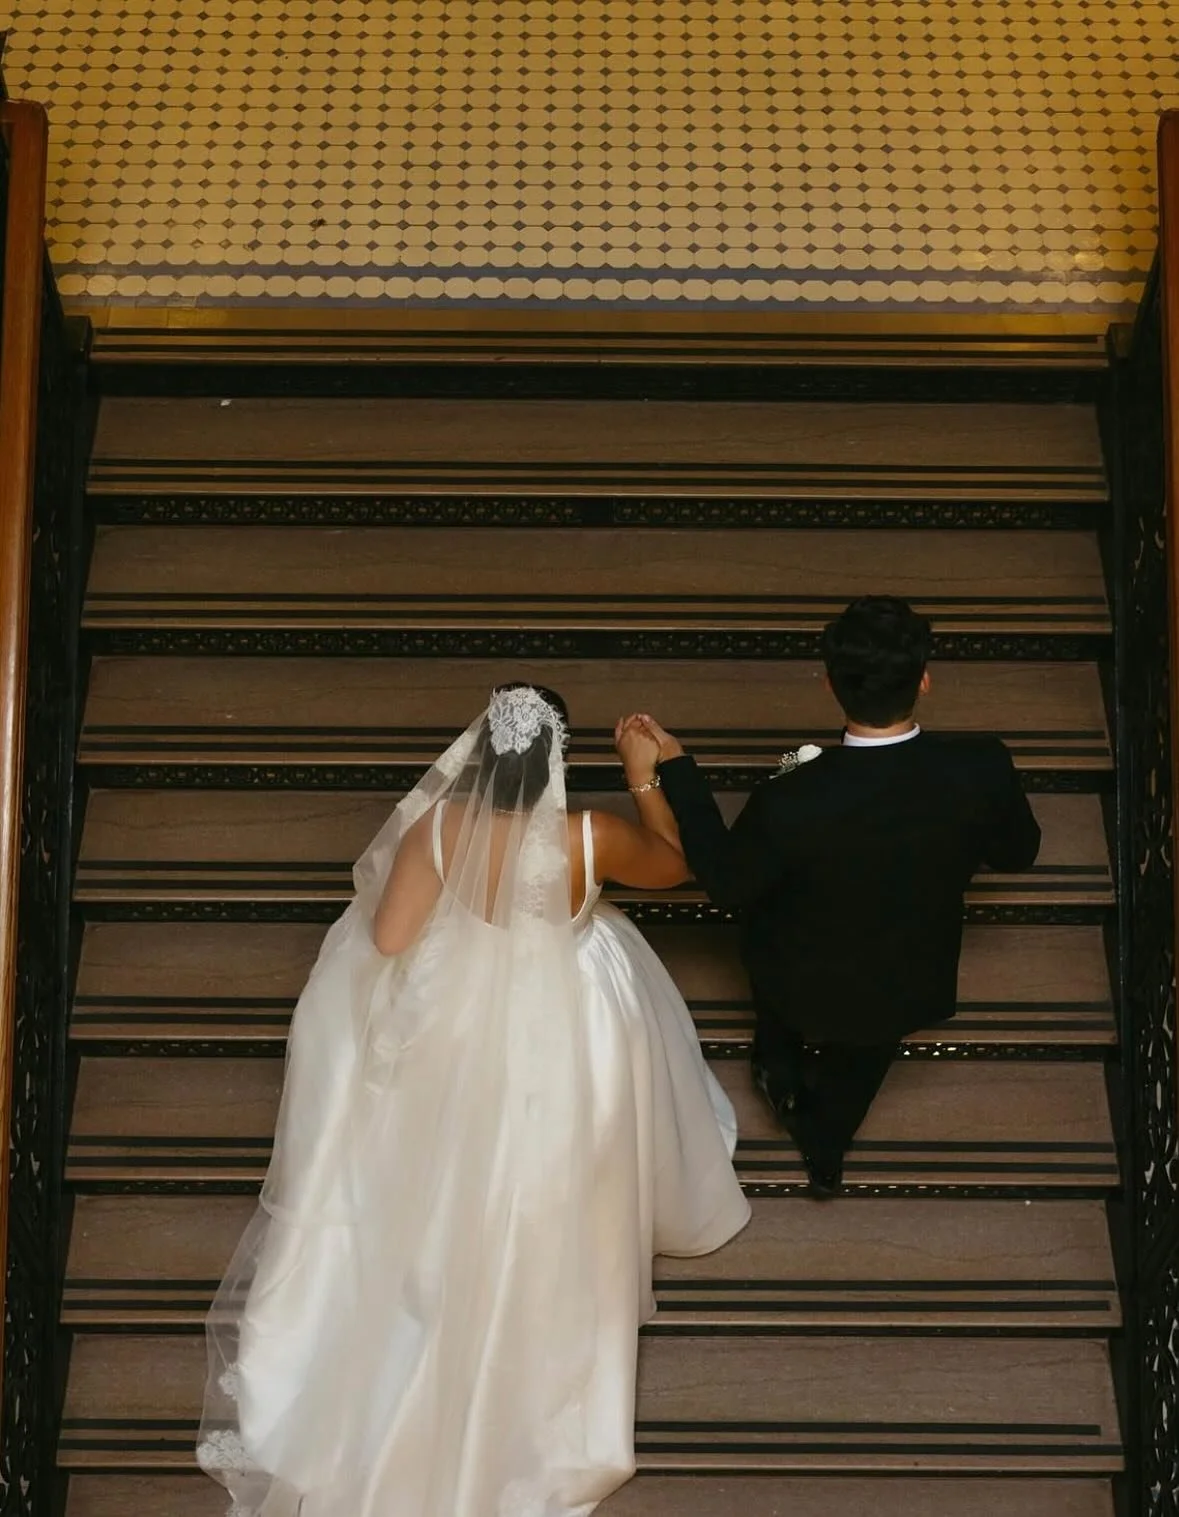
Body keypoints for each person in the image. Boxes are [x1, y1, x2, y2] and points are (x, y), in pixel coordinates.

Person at [197, 682, 749, 1517]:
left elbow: (387, 938)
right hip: (564, 1026)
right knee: (580, 1109)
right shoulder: (589, 836)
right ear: (559, 762)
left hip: (454, 1034)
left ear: (479, 756)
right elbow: (675, 865)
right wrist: (646, 779)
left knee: (447, 1166)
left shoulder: (440, 829)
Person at [630, 595, 1042, 1199]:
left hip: (796, 978)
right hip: (907, 980)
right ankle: (826, 1147)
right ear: (923, 681)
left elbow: (727, 881)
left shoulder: (793, 797)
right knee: (865, 1059)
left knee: (776, 981)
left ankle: (778, 1061)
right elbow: (1017, 853)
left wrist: (676, 766)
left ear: (829, 685)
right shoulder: (982, 766)